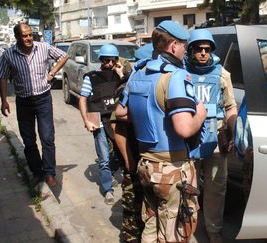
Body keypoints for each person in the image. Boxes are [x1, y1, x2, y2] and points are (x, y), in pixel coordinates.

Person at [120, 20, 206, 242]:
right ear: (173, 45)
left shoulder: (138, 72)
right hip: (172, 168)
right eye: (185, 46)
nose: (186, 51)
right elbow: (184, 128)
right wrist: (201, 114)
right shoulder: (175, 76)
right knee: (175, 232)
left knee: (150, 224)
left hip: (146, 165)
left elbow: (121, 113)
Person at [0, 23, 69, 187]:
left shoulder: (43, 47)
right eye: (24, 35)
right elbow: (2, 77)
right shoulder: (9, 55)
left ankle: (50, 173)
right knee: (28, 141)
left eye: (30, 34)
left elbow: (64, 56)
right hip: (24, 102)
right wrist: (4, 100)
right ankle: (37, 172)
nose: (28, 38)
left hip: (43, 99)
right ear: (17, 37)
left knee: (47, 138)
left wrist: (52, 72)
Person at [184, 29, 237, 243]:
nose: (204, 53)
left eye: (207, 49)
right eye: (199, 49)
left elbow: (230, 106)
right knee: (188, 186)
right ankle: (187, 225)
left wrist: (235, 132)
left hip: (216, 140)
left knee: (216, 187)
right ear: (190, 50)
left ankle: (213, 228)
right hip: (188, 139)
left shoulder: (222, 74)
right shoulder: (181, 71)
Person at [114, 43, 153, 243]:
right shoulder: (128, 87)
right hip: (134, 159)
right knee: (133, 210)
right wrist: (129, 162)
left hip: (151, 160)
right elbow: (117, 130)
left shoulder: (155, 83)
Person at [78, 44, 127, 205]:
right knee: (104, 158)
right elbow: (83, 99)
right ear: (101, 60)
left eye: (112, 60)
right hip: (99, 121)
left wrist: (121, 75)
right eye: (106, 60)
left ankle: (110, 173)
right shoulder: (91, 77)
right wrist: (86, 121)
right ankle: (108, 190)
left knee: (121, 154)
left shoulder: (121, 77)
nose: (109, 63)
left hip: (116, 121)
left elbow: (128, 92)